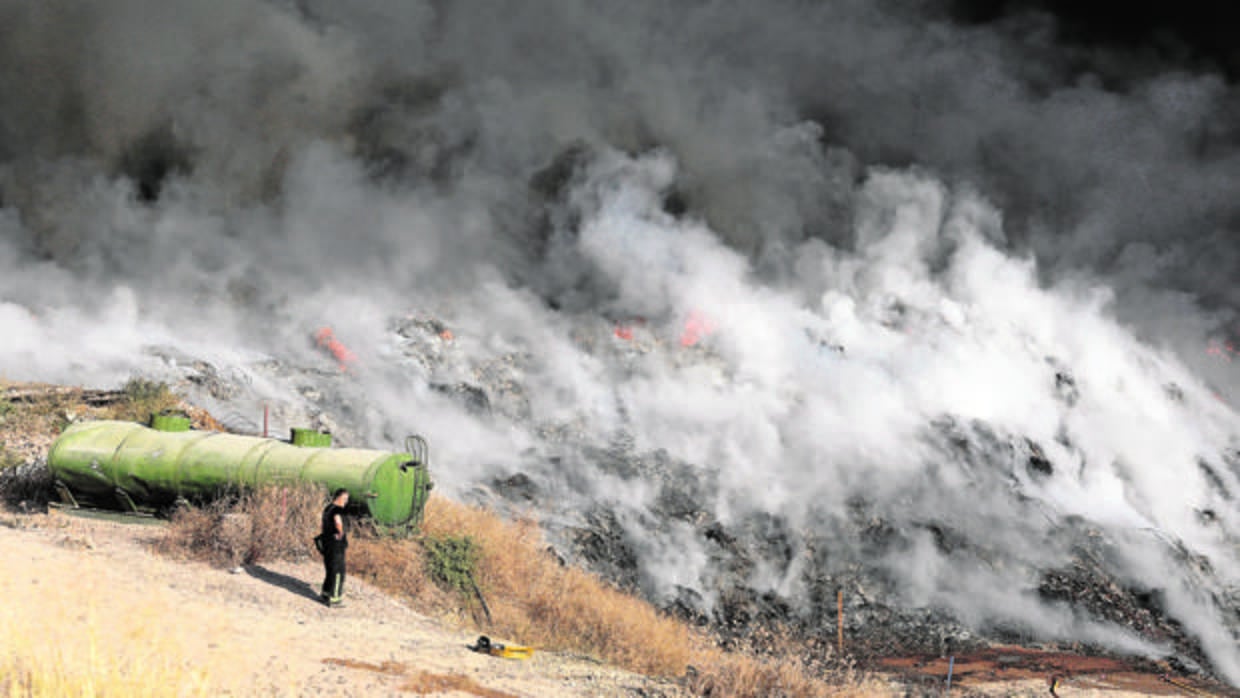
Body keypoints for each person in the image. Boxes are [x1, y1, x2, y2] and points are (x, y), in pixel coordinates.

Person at [319, 488, 349, 607]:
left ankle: (325, 594)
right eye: (345, 498)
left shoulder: (327, 508)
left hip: (326, 542)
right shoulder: (338, 510)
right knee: (338, 572)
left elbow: (322, 525)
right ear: (340, 497)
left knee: (329, 569)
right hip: (336, 544)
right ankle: (335, 599)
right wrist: (340, 533)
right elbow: (338, 522)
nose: (346, 501)